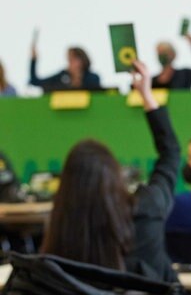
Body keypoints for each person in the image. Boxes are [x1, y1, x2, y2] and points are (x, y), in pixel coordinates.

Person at [39, 60, 180, 282]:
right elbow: (170, 153)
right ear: (115, 177)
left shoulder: (60, 232)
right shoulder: (147, 209)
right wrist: (146, 95)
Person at [29, 45, 101, 91]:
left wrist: (78, 79)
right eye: (69, 60)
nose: (71, 63)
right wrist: (33, 60)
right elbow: (35, 81)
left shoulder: (92, 77)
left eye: (73, 59)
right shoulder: (62, 76)